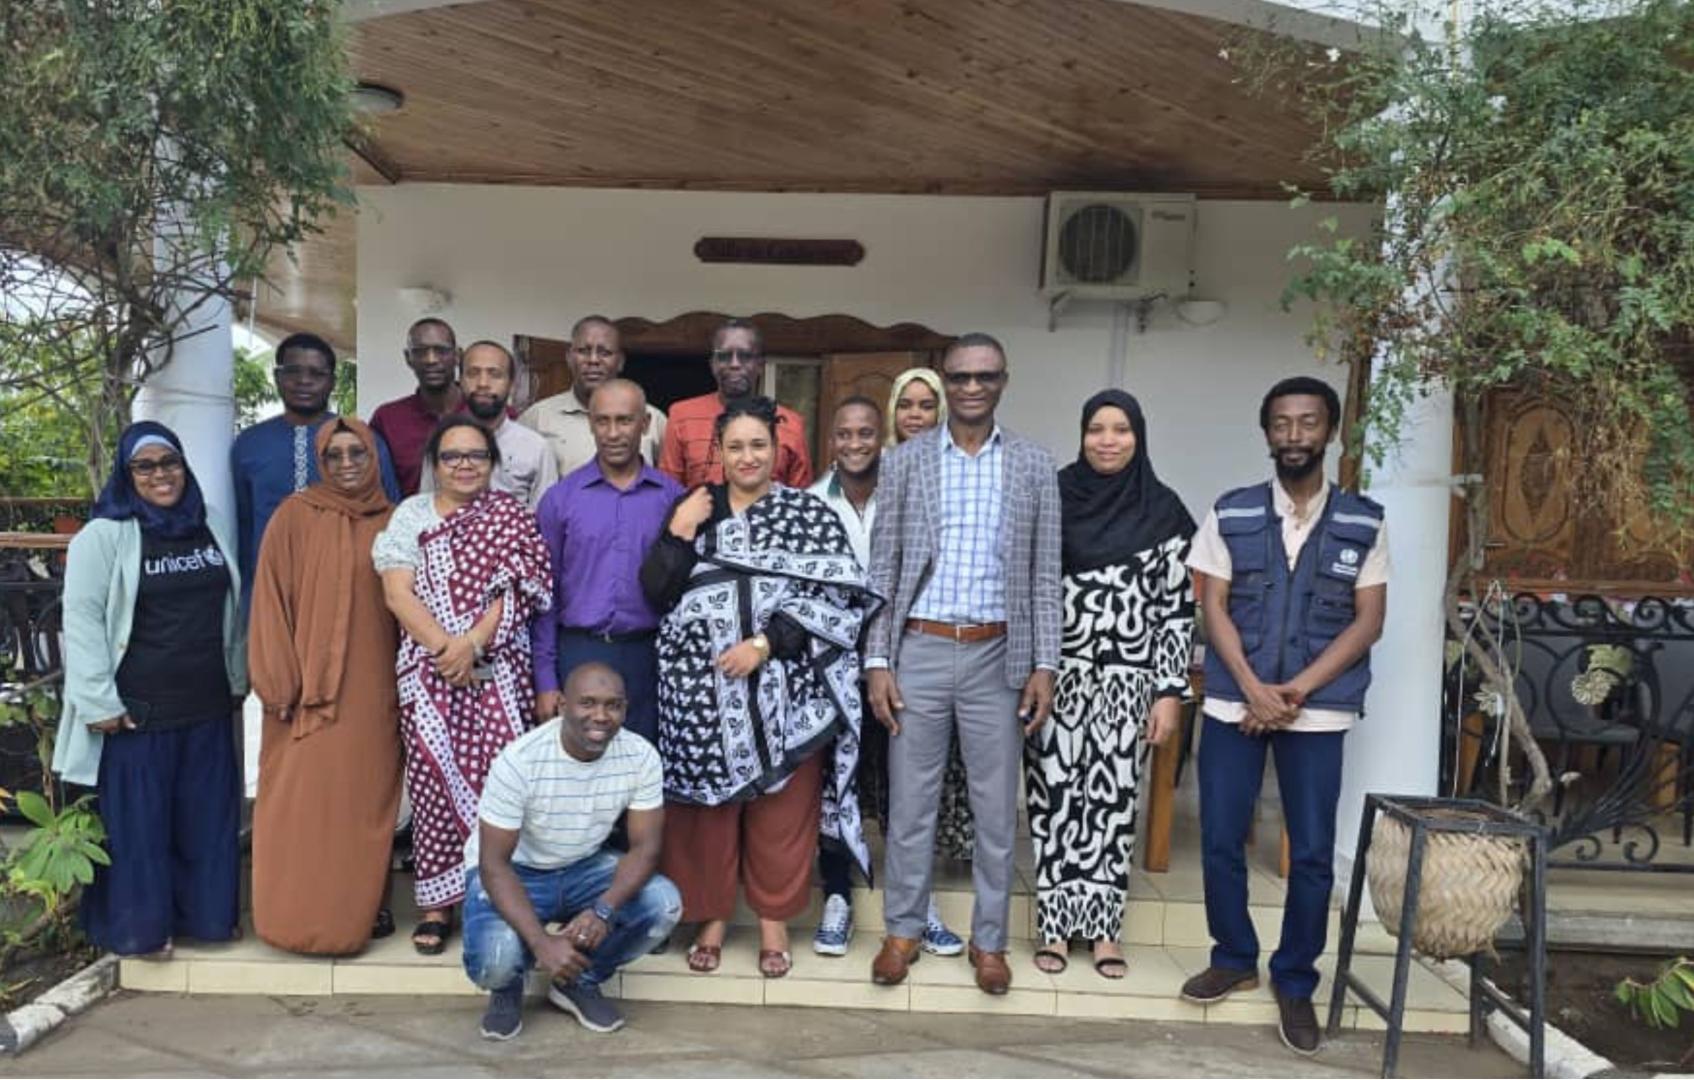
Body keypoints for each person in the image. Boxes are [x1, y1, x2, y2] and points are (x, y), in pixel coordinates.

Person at [1178, 376, 1388, 1057]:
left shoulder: (1365, 519)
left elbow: (1368, 621)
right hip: (1233, 701)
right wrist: (1251, 688)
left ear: (1330, 432)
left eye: (1308, 423)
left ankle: (1295, 979)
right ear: (1266, 432)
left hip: (1316, 711)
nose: (1295, 435)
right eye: (1282, 424)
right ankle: (1234, 955)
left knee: (1315, 852)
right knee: (1219, 835)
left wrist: (1290, 693)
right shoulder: (1231, 513)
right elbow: (1212, 607)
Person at [640, 396, 873, 980]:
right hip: (700, 692)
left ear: (779, 449)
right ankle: (712, 918)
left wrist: (764, 644)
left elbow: (835, 598)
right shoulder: (692, 507)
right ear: (718, 451)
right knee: (707, 819)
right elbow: (656, 592)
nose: (748, 457)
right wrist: (676, 532)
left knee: (782, 811)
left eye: (759, 445)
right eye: (736, 446)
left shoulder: (810, 513)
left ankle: (773, 924)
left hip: (786, 688)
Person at [865, 334, 1062, 997]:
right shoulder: (908, 462)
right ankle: (903, 930)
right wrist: (877, 660)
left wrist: (1045, 664)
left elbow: (1044, 573)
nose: (972, 386)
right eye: (960, 376)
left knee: (994, 810)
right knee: (912, 804)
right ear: (945, 382)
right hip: (917, 648)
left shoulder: (1034, 464)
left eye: (985, 376)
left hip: (997, 654)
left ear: (1004, 381)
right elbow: (884, 566)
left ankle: (990, 941)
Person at [53, 422, 246, 957]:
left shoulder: (210, 522)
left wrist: (238, 677)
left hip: (206, 702)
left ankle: (206, 921)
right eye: (146, 466)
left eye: (170, 463)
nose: (161, 475)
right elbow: (84, 619)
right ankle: (143, 929)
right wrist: (97, 702)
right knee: (140, 827)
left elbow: (232, 607)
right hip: (137, 711)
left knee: (207, 821)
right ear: (127, 473)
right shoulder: (105, 534)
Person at [1027, 390, 1196, 979]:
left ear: (1138, 436)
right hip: (1058, 678)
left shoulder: (1166, 510)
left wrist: (1169, 692)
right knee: (1054, 801)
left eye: (1120, 429)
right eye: (1095, 428)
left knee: (1112, 803)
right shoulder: (1053, 497)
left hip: (1130, 682)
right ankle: (1054, 926)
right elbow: (1029, 588)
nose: (1107, 440)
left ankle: (1103, 931)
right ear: (1081, 434)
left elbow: (1177, 611)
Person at [373, 416, 553, 954]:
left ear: (493, 464)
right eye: (452, 456)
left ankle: (497, 898)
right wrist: (445, 649)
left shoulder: (511, 516)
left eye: (476, 455)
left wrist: (471, 643)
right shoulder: (411, 515)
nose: (465, 465)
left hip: (498, 674)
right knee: (431, 786)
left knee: (502, 788)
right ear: (435, 463)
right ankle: (435, 907)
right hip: (428, 677)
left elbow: (522, 586)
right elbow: (397, 592)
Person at [805, 395, 962, 959]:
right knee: (836, 783)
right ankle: (839, 897)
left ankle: (918, 904)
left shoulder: (915, 499)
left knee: (908, 786)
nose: (854, 444)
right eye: (844, 434)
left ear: (881, 437)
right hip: (829, 669)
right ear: (832, 440)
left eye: (865, 433)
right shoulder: (808, 504)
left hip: (905, 660)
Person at [247, 418, 403, 955]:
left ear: (373, 456)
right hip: (300, 696)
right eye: (333, 456)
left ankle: (355, 915)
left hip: (372, 691)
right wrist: (278, 682)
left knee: (363, 807)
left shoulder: (395, 521)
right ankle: (288, 918)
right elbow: (268, 599)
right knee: (296, 807)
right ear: (321, 461)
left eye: (356, 452)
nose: (346, 464)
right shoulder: (294, 515)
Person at [463, 662, 681, 1040]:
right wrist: (541, 943)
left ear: (625, 709)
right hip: (516, 872)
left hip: (582, 867)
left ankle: (578, 980)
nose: (601, 716)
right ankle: (507, 987)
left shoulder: (640, 756)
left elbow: (646, 847)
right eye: (588, 703)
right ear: (562, 704)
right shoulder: (520, 761)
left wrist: (603, 909)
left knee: (664, 903)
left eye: (613, 705)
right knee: (495, 963)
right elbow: (493, 864)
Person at [531, 380, 681, 743]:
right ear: (591, 424)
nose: (613, 433)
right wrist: (546, 680)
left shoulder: (673, 499)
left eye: (625, 421)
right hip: (579, 651)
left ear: (645, 425)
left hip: (650, 656)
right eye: (603, 421)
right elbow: (542, 597)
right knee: (578, 771)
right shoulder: (560, 500)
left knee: (645, 769)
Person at [230, 332, 400, 611]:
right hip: (271, 589)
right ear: (277, 377)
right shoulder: (250, 444)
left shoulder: (361, 441)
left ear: (332, 381)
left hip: (350, 589)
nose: (304, 381)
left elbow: (390, 512)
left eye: (316, 373)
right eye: (293, 371)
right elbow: (243, 524)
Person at [657, 319, 812, 489]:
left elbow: (801, 498)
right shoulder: (682, 415)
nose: (734, 364)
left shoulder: (789, 423)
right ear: (713, 364)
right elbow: (668, 494)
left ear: (760, 365)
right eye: (724, 356)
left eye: (745, 356)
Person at [519, 315, 667, 477]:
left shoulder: (653, 419)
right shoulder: (537, 417)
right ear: (569, 358)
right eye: (584, 351)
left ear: (621, 361)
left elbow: (668, 483)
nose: (593, 360)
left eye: (605, 352)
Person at [420, 341, 557, 508]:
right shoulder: (441, 442)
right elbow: (425, 511)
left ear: (512, 385)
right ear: (461, 380)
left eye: (495, 374)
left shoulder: (536, 448)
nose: (483, 383)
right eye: (473, 373)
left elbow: (544, 519)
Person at [370, 318, 465, 496]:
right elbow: (376, 485)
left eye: (441, 350)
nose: (431, 359)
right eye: (420, 352)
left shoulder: (489, 414)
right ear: (408, 358)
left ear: (457, 355)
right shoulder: (387, 419)